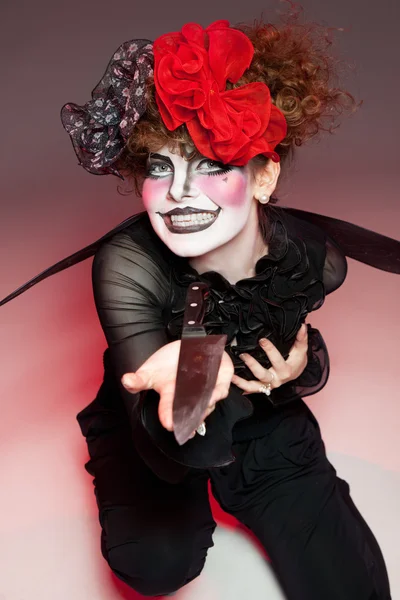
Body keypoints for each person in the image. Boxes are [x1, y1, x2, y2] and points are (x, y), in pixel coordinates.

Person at [1, 13, 398, 600]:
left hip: (261, 411)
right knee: (157, 564)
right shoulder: (128, 266)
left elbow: (295, 350)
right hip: (155, 425)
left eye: (212, 164)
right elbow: (178, 438)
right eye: (161, 166)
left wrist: (301, 365)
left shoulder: (311, 259)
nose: (180, 192)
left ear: (264, 177)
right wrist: (182, 387)